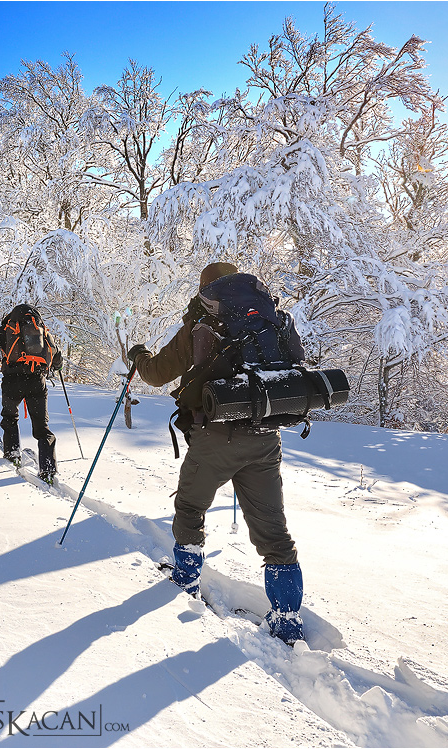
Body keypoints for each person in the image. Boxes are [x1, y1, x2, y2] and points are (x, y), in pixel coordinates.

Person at [126, 262, 307, 644]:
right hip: (266, 435)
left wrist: (139, 356)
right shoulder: (271, 320)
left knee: (191, 507)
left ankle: (186, 579)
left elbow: (157, 373)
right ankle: (287, 621)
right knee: (275, 534)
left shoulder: (203, 323)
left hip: (217, 437)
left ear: (208, 292)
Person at [0, 304, 63, 483]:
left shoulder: (5, 331)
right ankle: (48, 470)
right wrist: (57, 367)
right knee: (42, 427)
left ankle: (12, 453)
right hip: (37, 382)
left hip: (12, 381)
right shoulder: (43, 333)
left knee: (10, 417)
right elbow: (57, 357)